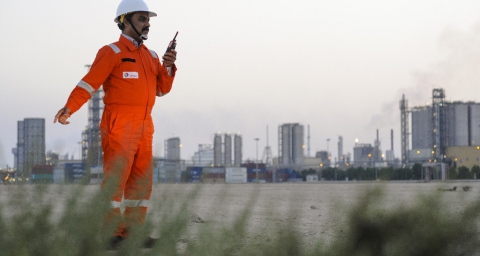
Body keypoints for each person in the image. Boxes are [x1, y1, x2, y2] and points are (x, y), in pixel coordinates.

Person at [53, 0, 177, 248]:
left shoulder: (151, 56)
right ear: (125, 20)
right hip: (119, 122)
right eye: (142, 18)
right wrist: (70, 106)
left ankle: (132, 234)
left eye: (148, 19)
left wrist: (168, 66)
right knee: (116, 181)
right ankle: (112, 235)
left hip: (144, 125)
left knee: (141, 183)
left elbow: (162, 90)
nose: (147, 23)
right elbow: (89, 83)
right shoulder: (112, 52)